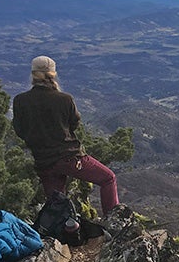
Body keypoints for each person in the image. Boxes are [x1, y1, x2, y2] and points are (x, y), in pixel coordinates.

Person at [12, 55, 120, 217]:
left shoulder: (20, 100)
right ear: (53, 74)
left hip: (43, 162)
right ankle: (114, 222)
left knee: (57, 204)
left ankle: (63, 235)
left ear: (33, 75)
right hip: (69, 157)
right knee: (108, 179)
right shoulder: (64, 99)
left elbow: (20, 130)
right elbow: (74, 124)